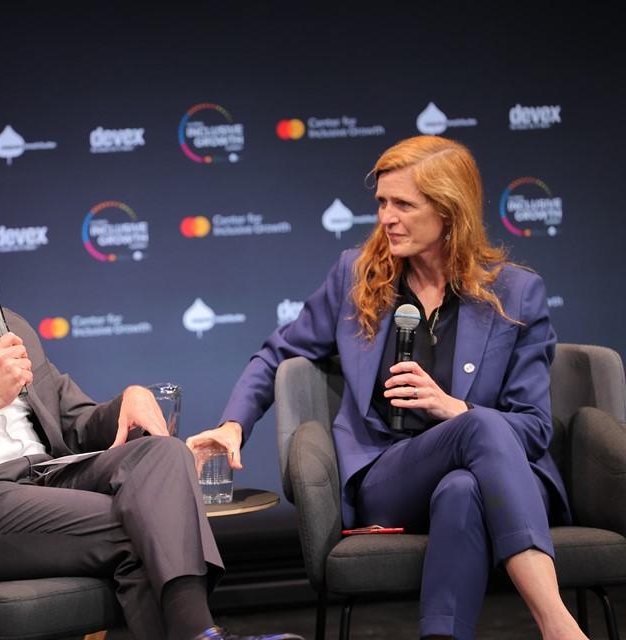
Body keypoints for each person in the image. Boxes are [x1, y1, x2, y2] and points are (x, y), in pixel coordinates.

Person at [0, 155, 303, 640]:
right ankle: (200, 632)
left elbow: (74, 422)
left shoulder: (2, 321)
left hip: (47, 478)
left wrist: (123, 404)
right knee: (142, 527)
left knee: (163, 453)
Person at [188, 136, 586, 640]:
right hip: (389, 476)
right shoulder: (357, 277)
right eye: (381, 203)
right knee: (479, 425)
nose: (386, 218)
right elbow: (278, 353)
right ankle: (557, 624)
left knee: (462, 487)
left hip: (494, 479)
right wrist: (233, 425)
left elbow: (533, 428)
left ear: (448, 211)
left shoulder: (515, 292)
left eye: (404, 205)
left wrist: (451, 407)